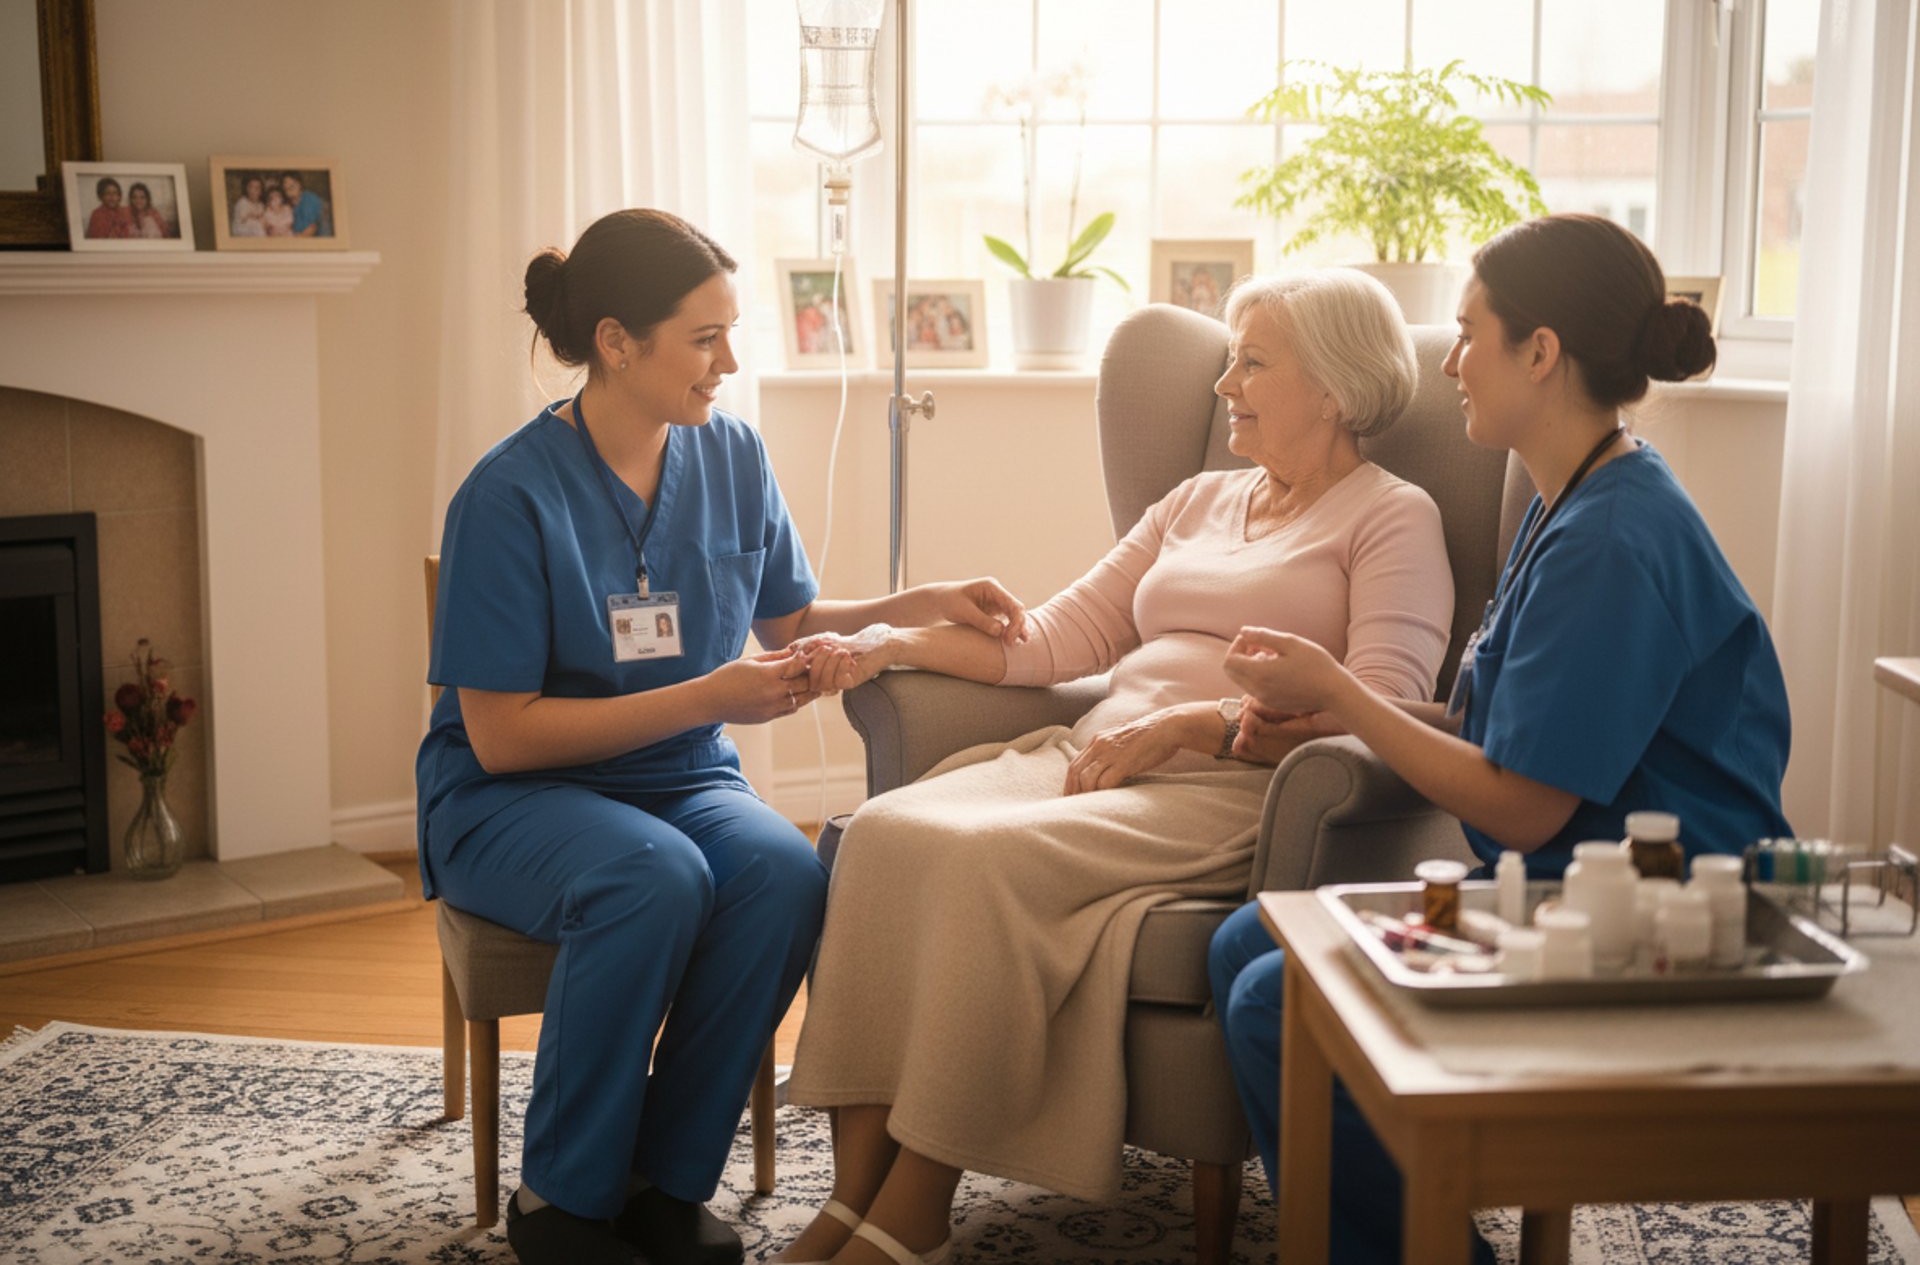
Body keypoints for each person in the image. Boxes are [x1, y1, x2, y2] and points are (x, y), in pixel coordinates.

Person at [776, 269, 1456, 1265]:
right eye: (1228, 357)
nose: (1225, 383)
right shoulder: (1195, 501)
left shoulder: (1393, 516)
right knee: (879, 832)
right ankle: (852, 1197)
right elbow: (1052, 640)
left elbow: (1382, 710)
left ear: (1335, 388)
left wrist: (1194, 725)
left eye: (1253, 361)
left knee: (978, 864)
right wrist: (893, 642)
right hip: (1096, 759)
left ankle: (917, 1203)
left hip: (1233, 793)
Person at [420, 208, 1030, 1265]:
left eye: (729, 333)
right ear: (617, 341)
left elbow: (790, 625)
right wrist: (711, 696)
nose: (730, 363)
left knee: (785, 876)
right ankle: (560, 1203)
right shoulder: (508, 495)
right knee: (651, 877)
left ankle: (662, 1183)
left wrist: (921, 600)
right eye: (705, 339)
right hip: (510, 797)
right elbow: (506, 737)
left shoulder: (730, 454)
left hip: (678, 777)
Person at [1208, 213, 1794, 1264]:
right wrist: (1334, 710)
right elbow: (1500, 730)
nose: (1449, 362)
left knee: (1270, 998)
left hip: (1653, 912)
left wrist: (1339, 685)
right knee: (1249, 941)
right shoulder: (1571, 493)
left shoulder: (1614, 536)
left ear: (1541, 351)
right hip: (1566, 883)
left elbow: (1522, 800)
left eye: (1471, 334)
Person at [284, 171, 331, 237]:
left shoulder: (309, 199)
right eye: (286, 184)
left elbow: (311, 229)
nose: (290, 186)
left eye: (293, 183)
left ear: (300, 184)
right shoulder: (287, 204)